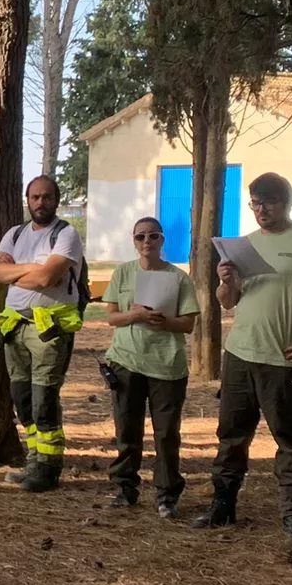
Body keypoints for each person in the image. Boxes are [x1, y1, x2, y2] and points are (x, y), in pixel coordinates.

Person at [197, 172, 292, 529]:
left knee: (290, 439)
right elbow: (228, 302)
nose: (261, 209)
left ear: (287, 203)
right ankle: (222, 506)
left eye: (269, 201)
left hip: (285, 358)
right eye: (255, 202)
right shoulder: (244, 245)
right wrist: (227, 282)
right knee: (231, 435)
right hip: (240, 355)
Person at [0, 176, 85, 492]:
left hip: (49, 331)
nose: (40, 203)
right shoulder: (14, 234)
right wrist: (34, 269)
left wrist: (15, 273)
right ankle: (33, 460)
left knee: (44, 400)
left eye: (46, 197)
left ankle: (48, 469)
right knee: (23, 400)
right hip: (15, 327)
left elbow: (46, 279)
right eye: (34, 197)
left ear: (56, 199)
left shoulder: (66, 234)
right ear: (27, 200)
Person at [99, 218, 199, 517]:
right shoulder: (123, 272)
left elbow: (188, 323)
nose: (147, 242)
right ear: (133, 241)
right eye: (140, 236)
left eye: (153, 236)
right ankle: (124, 488)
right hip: (127, 361)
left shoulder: (178, 278)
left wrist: (164, 321)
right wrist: (135, 316)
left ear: (162, 240)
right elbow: (112, 317)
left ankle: (167, 494)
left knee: (166, 433)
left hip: (167, 365)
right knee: (127, 429)